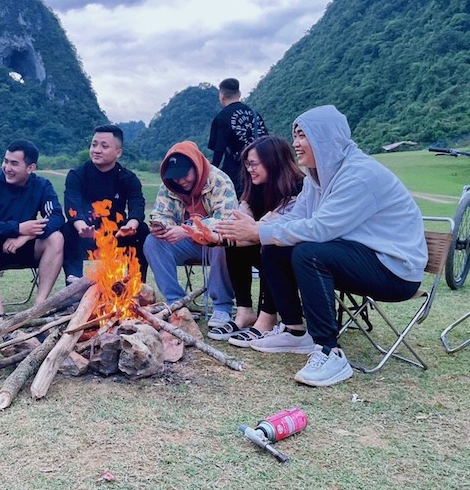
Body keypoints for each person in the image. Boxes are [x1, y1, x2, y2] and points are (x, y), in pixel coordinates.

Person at [216, 105, 427, 387]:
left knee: (309, 252)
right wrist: (258, 230)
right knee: (277, 247)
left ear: (325, 137)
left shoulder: (359, 176)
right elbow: (296, 217)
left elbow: (320, 228)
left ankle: (330, 351)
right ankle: (294, 331)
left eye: (303, 135)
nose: (295, 143)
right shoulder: (318, 177)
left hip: (395, 271)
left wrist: (258, 231)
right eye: (295, 135)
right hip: (364, 257)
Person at [206, 135, 304, 346]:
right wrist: (216, 235)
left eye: (254, 164)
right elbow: (240, 216)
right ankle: (245, 312)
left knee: (269, 246)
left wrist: (243, 230)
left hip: (293, 258)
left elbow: (274, 224)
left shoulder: (298, 187)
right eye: (247, 164)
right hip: (268, 249)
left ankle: (267, 317)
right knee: (232, 243)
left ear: (273, 162)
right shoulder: (255, 187)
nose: (249, 169)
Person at [143, 140, 237, 327]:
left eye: (185, 175)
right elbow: (162, 212)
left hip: (213, 243)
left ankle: (222, 306)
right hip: (187, 245)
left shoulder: (220, 181)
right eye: (176, 177)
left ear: (196, 165)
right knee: (152, 241)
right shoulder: (169, 186)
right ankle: (176, 304)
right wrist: (162, 225)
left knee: (221, 240)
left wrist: (188, 230)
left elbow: (227, 219)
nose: (181, 181)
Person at [0, 139, 65, 326]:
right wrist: (17, 228)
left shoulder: (41, 185)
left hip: (27, 247)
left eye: (14, 163)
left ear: (30, 168)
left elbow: (55, 216)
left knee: (56, 238)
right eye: (6, 161)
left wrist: (26, 235)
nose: (7, 167)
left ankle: (40, 304)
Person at [62, 124, 150, 283]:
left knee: (141, 230)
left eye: (104, 146)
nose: (96, 150)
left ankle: (136, 286)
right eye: (94, 144)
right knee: (67, 229)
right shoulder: (77, 175)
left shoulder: (128, 178)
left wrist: (131, 225)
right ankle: (73, 287)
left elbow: (137, 203)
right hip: (86, 231)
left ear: (118, 152)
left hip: (117, 233)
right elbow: (72, 205)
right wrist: (82, 227)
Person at [208, 78, 267, 197]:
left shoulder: (221, 117)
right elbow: (267, 143)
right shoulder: (255, 114)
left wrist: (210, 175)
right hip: (259, 173)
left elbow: (218, 151)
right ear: (239, 94)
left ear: (222, 95)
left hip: (235, 176)